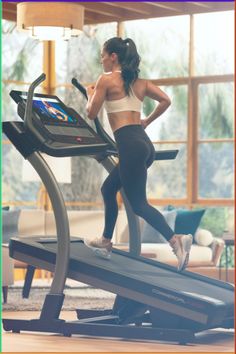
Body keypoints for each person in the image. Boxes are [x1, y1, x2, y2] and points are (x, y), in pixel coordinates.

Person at [84, 37, 192, 271]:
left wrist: (89, 93)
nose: (101, 59)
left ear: (113, 56)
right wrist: (146, 121)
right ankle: (105, 241)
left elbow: (91, 113)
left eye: (103, 55)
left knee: (139, 204)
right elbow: (166, 100)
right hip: (143, 144)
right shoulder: (140, 83)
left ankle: (176, 240)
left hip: (130, 146)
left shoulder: (105, 80)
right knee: (108, 189)